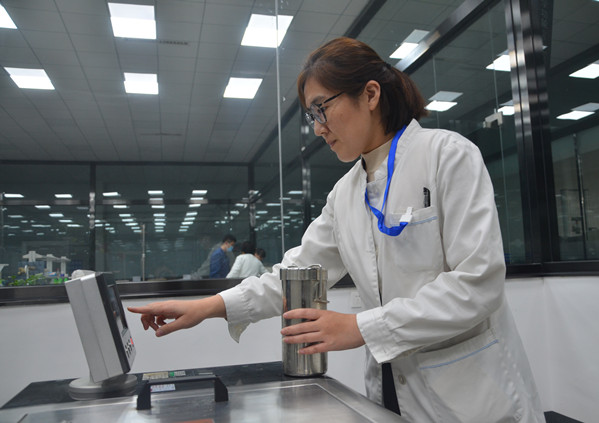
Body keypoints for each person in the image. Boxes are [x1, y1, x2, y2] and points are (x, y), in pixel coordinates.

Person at [128, 37, 544, 422]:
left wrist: (359, 327)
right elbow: (293, 275)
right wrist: (207, 307)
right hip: (392, 392)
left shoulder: (448, 155)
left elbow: (478, 283)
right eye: (312, 116)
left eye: (321, 108)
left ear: (370, 94)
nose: (318, 127)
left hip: (472, 396)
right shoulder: (346, 194)